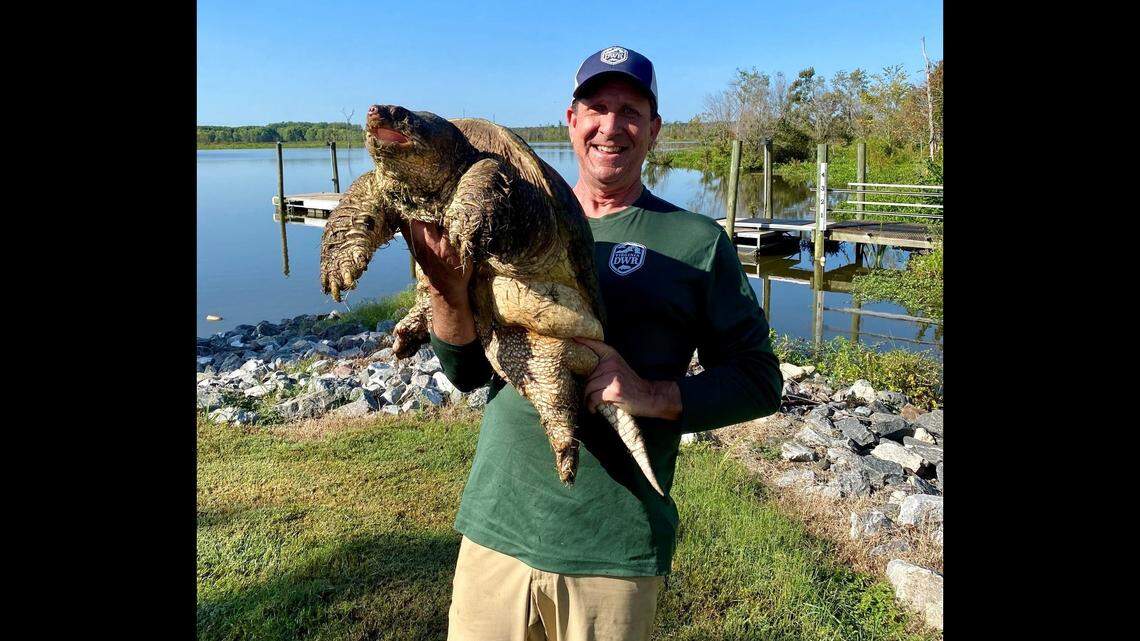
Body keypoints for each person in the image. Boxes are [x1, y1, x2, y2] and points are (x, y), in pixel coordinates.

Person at [407, 45, 782, 641]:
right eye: (597, 107)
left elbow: (760, 379)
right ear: (571, 119)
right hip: (497, 529)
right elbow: (468, 374)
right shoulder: (509, 220)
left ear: (654, 129)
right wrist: (449, 294)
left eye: (631, 111)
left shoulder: (694, 241)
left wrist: (654, 394)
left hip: (613, 546)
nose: (612, 126)